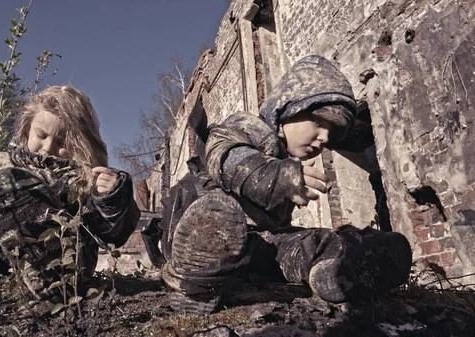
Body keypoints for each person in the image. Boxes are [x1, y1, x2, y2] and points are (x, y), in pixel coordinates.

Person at [161, 55, 412, 315]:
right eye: (318, 122)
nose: (324, 137)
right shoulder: (246, 128)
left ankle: (335, 269)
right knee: (220, 216)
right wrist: (280, 176)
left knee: (319, 242)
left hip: (256, 245)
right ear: (286, 110)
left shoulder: (285, 158)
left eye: (333, 133)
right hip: (201, 232)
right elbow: (227, 159)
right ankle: (194, 283)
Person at [0, 85, 140, 300]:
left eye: (61, 142)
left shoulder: (86, 179)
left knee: (6, 183)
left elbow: (114, 234)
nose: (47, 148)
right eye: (41, 135)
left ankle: (55, 289)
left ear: (79, 144)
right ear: (27, 129)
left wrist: (112, 199)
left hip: (65, 268)